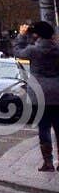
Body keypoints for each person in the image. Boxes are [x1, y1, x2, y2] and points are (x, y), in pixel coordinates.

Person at [24, 19, 59, 173]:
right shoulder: (57, 50)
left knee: (44, 128)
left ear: (37, 35)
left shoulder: (33, 50)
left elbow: (18, 51)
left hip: (40, 95)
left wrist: (21, 35)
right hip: (57, 93)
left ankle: (48, 162)